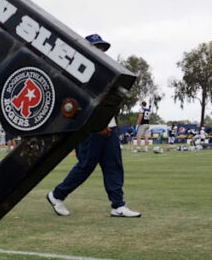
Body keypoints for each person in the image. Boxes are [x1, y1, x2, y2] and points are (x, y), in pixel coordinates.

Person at [45, 34, 141, 219]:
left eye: (102, 48)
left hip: (109, 126)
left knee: (113, 165)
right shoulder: (78, 73)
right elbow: (82, 104)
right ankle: (57, 195)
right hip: (90, 128)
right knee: (85, 166)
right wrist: (98, 126)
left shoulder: (104, 74)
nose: (101, 52)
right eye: (97, 48)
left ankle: (118, 205)